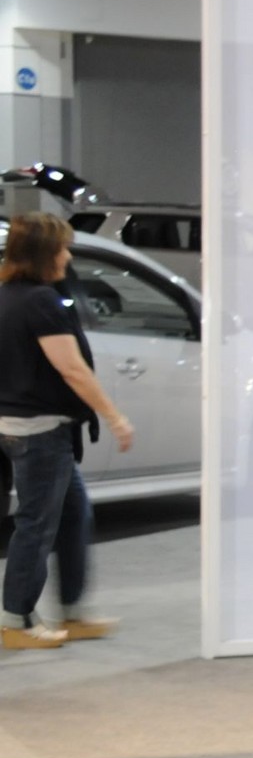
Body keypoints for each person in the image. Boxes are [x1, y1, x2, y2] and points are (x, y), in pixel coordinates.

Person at [0, 213, 132, 650]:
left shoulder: (8, 296)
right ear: (44, 253)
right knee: (37, 524)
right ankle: (16, 620)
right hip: (41, 433)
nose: (68, 255)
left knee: (74, 514)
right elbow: (72, 369)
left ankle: (72, 610)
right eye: (63, 247)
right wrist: (114, 416)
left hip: (24, 427)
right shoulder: (40, 301)